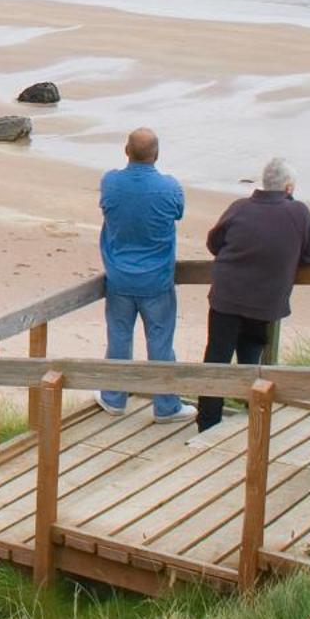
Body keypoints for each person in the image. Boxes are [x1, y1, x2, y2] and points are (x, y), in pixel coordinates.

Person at [195, 158, 310, 433]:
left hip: (228, 293)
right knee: (252, 351)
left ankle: (208, 422)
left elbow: (214, 243)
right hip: (264, 299)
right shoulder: (298, 213)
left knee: (217, 356)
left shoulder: (239, 208)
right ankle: (251, 408)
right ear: (289, 187)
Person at [96, 127, 196, 422]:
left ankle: (114, 397)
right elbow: (178, 213)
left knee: (118, 340)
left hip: (119, 277)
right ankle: (166, 405)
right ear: (157, 154)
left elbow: (106, 208)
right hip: (156, 279)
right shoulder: (170, 188)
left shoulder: (111, 182)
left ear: (126, 151)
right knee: (161, 343)